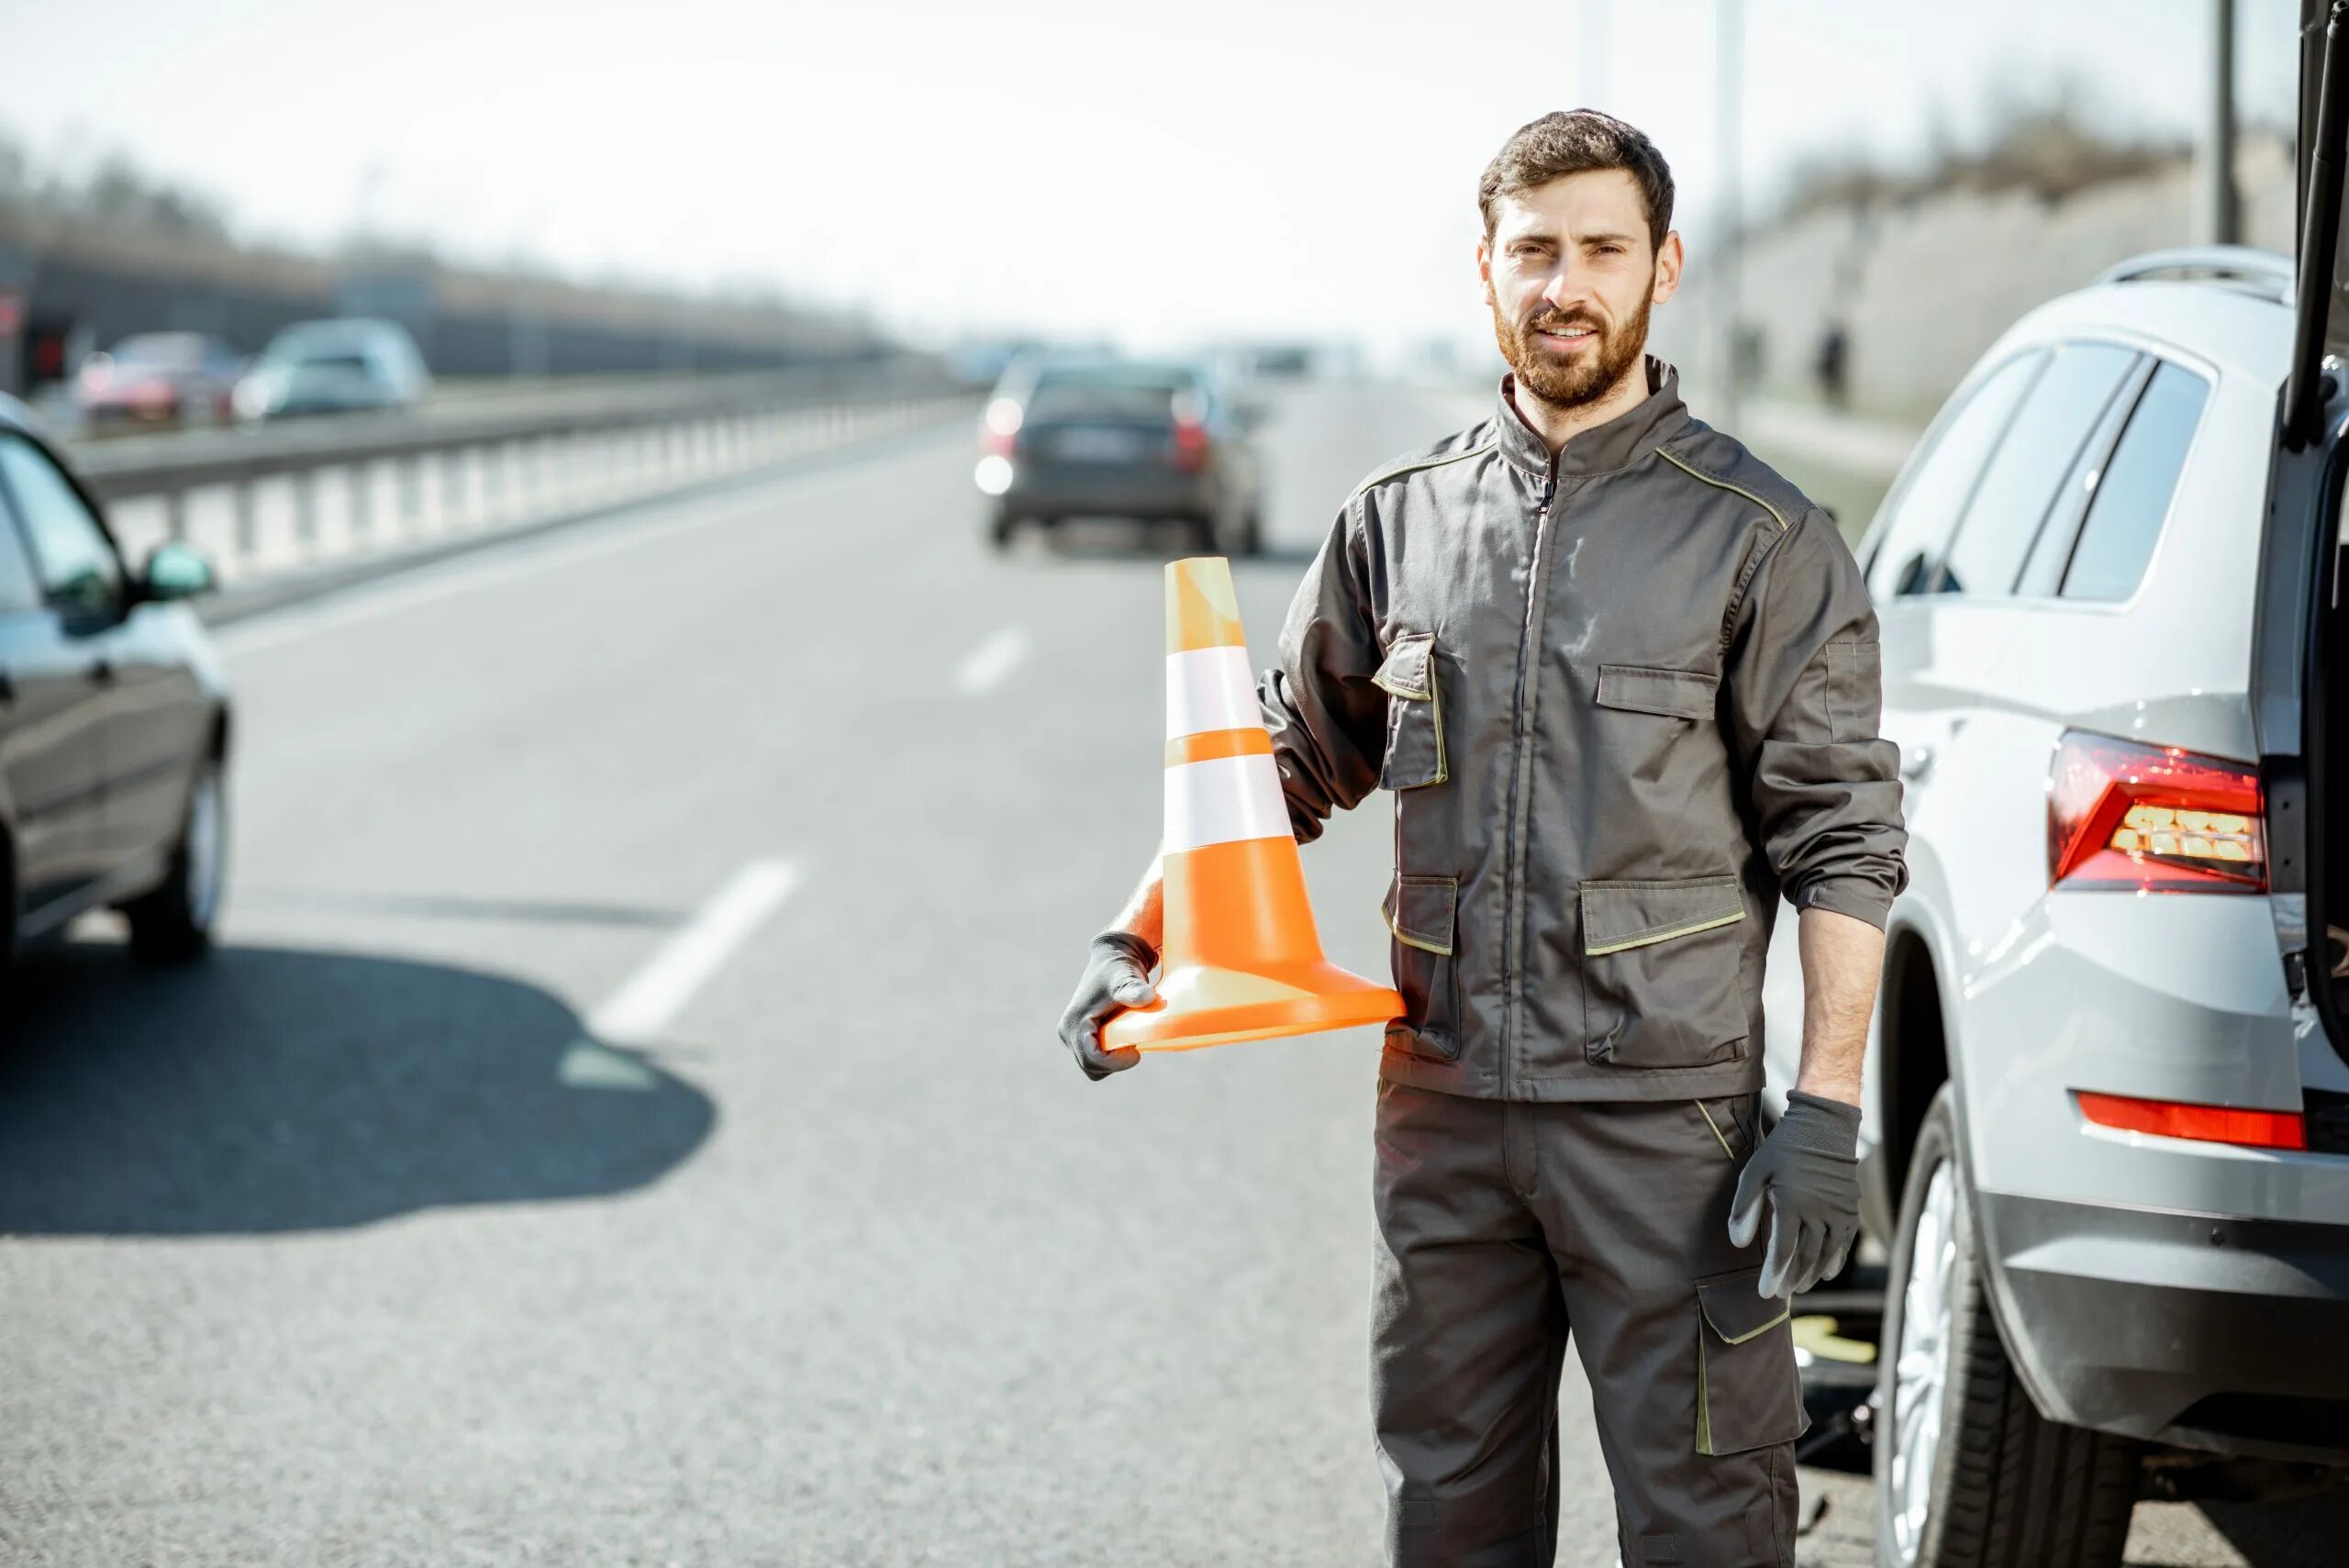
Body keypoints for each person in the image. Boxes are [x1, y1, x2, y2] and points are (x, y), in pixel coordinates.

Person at [1057, 110, 1907, 1568]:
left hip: (1669, 1134)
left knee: (1710, 1523)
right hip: (1443, 1114)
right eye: (1534, 252)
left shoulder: (1759, 536)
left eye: (1600, 249)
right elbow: (1278, 766)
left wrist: (1825, 1111)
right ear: (1486, 270)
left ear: (1664, 266)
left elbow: (1844, 839)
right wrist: (1139, 932)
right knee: (1448, 1520)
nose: (1564, 284)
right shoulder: (1397, 523)